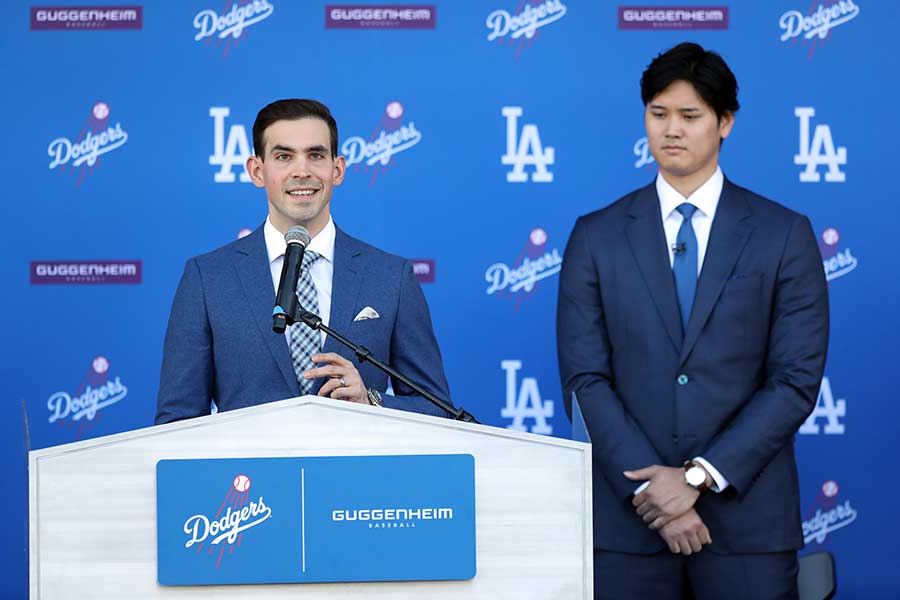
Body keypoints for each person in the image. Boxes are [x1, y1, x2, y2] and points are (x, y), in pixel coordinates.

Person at [557, 43, 828, 598]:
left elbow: (794, 380)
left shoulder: (783, 234)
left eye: (690, 115)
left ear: (725, 122)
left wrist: (698, 477)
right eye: (659, 114)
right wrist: (653, 494)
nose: (671, 130)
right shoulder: (597, 235)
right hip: (628, 528)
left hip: (748, 525)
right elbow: (585, 379)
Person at [156, 99, 452, 424]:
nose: (302, 171)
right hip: (248, 474)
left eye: (316, 155)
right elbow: (177, 423)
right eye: (284, 156)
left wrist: (372, 401)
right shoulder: (207, 278)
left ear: (337, 169)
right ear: (257, 171)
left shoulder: (391, 276)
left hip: (356, 473)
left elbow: (438, 410)